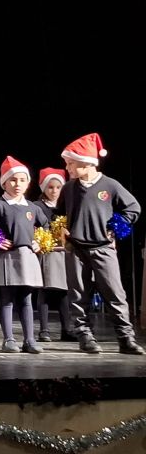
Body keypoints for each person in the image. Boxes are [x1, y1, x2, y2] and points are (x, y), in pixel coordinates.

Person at [57, 133, 143, 355]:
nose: (67, 168)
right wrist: (61, 229)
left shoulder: (110, 185)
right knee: (78, 295)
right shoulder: (69, 188)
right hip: (76, 249)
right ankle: (85, 336)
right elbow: (58, 214)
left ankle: (126, 338)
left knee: (115, 293)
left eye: (71, 163)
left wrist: (115, 228)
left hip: (103, 248)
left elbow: (133, 208)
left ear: (86, 163)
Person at [0, 156, 47, 354]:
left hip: (27, 256)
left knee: (26, 300)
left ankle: (29, 340)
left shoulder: (33, 208)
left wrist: (39, 241)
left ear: (28, 183)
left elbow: (46, 226)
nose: (17, 184)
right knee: (7, 299)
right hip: (7, 258)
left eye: (22, 180)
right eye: (13, 180)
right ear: (4, 183)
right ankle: (8, 339)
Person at [32, 167, 74, 342]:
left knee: (64, 291)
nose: (54, 191)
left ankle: (66, 329)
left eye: (58, 187)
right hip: (47, 252)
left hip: (64, 253)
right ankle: (44, 330)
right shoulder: (37, 206)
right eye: (50, 187)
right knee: (45, 290)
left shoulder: (66, 205)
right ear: (44, 188)